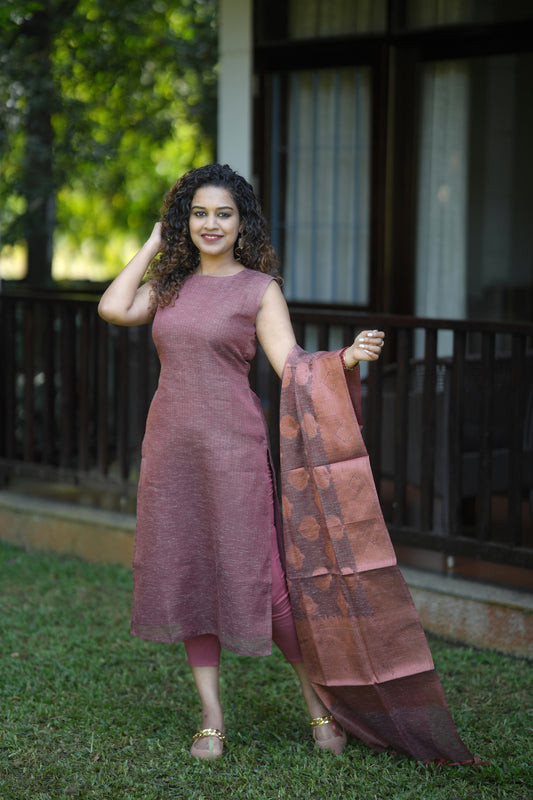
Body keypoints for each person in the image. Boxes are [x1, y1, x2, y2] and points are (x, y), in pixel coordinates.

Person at [98, 163, 385, 760]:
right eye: (198, 213)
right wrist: (155, 241)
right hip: (170, 450)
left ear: (241, 222)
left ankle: (318, 705)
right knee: (190, 572)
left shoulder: (258, 288)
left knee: (267, 583)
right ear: (185, 221)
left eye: (222, 213)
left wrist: (347, 358)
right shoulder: (171, 284)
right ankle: (211, 717)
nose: (210, 224)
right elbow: (113, 307)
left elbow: (293, 367)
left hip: (234, 449)